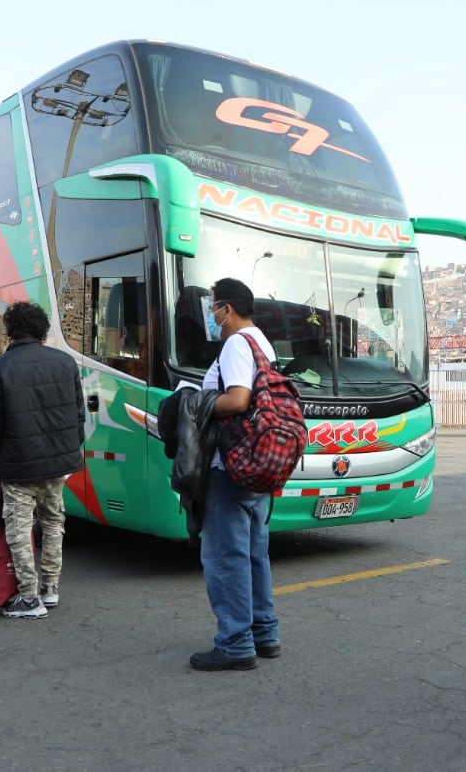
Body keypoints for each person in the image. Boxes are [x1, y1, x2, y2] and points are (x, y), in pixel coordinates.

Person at [190, 277, 280, 672]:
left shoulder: (236, 344)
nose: (212, 316)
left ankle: (235, 644)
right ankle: (264, 633)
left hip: (232, 465)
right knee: (254, 553)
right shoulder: (263, 341)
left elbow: (239, 399)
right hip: (259, 462)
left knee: (226, 557)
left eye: (213, 308)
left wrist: (197, 403)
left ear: (226, 309)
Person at [0, 302, 85, 619]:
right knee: (54, 523)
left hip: (17, 465)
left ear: (10, 331)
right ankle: (50, 587)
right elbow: (78, 416)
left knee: (19, 529)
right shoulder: (66, 364)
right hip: (57, 465)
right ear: (42, 330)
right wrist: (68, 451)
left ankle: (28, 596)